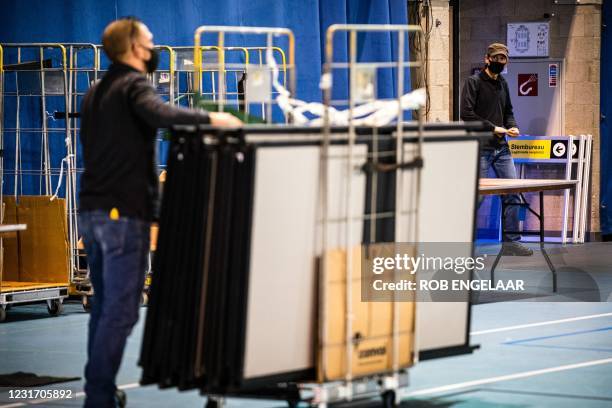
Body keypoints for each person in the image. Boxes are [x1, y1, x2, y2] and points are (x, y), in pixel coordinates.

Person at [78, 17, 242, 407]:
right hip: (122, 217)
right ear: (135, 48)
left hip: (93, 211)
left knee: (103, 308)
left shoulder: (95, 91)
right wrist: (213, 118)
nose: (153, 49)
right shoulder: (133, 85)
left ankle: (99, 388)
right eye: (150, 42)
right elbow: (161, 114)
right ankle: (98, 395)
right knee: (120, 312)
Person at [460, 42, 533, 256]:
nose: (500, 62)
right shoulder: (473, 82)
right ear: (487, 59)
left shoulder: (503, 83)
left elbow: (509, 111)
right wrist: (494, 128)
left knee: (512, 193)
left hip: (502, 148)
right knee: (477, 196)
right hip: (481, 147)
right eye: (496, 58)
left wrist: (513, 126)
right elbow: (466, 115)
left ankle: (511, 243)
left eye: (503, 59)